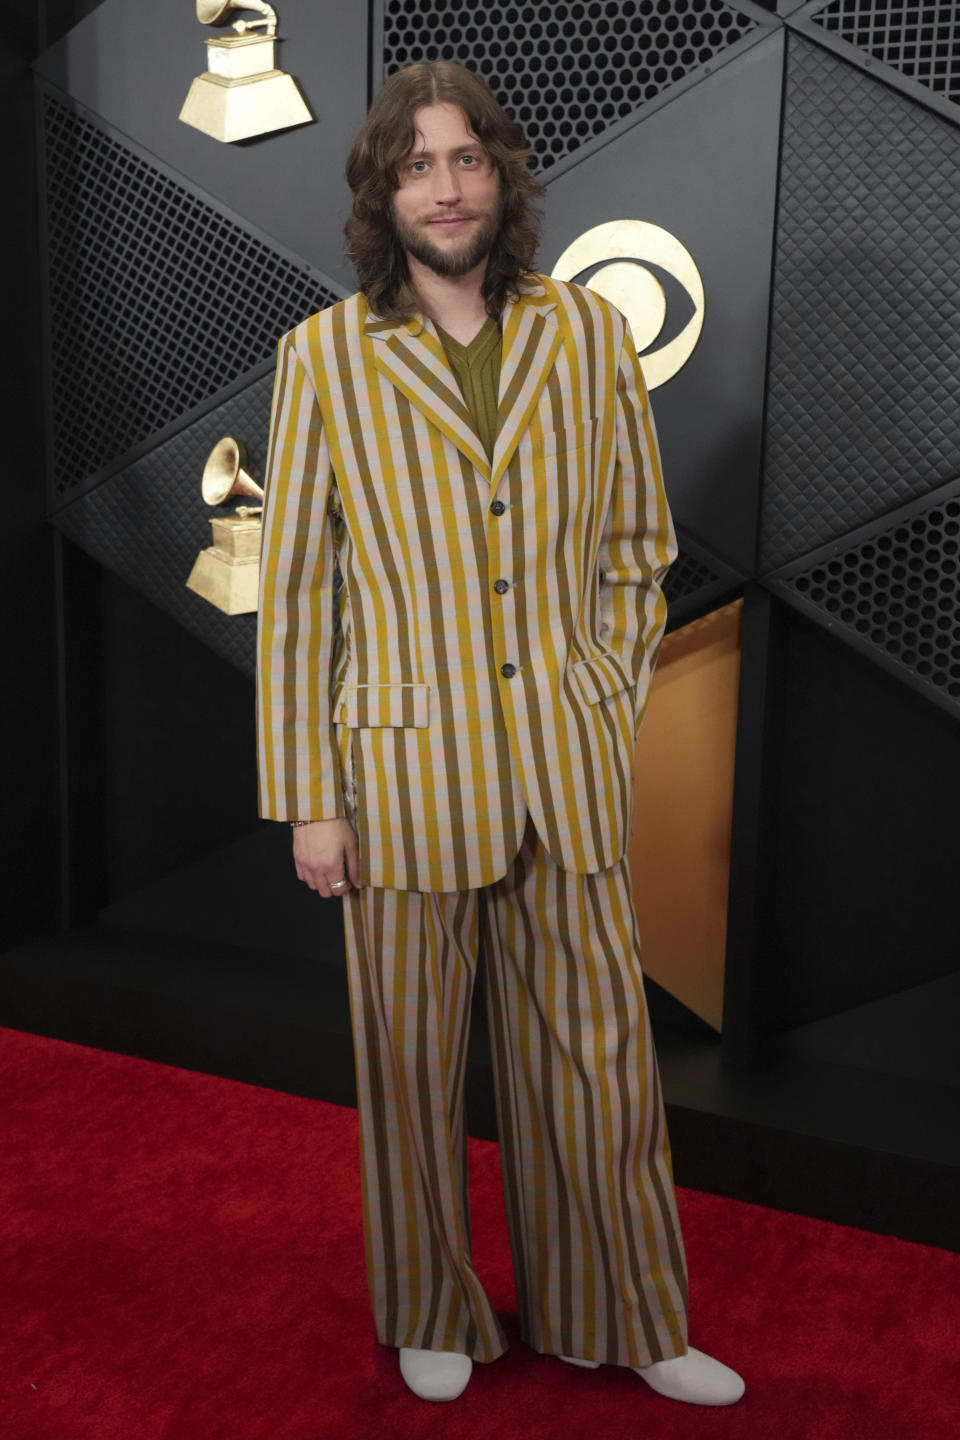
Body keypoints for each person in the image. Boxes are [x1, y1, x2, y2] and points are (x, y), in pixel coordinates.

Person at [256, 59, 744, 1408]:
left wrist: (598, 685)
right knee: (409, 1070)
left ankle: (632, 1318)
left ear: (501, 177)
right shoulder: (322, 361)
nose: (445, 185)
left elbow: (637, 545)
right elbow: (298, 596)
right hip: (399, 779)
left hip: (563, 772)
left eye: (465, 159)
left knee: (601, 1072)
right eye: (416, 165)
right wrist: (311, 797)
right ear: (383, 194)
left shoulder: (586, 333)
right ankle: (432, 1307)